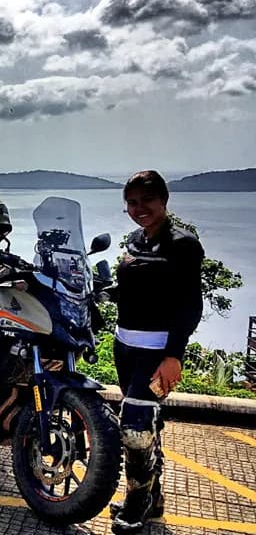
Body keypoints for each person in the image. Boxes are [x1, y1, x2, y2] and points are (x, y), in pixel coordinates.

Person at [110, 170, 204, 534]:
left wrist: (174, 355)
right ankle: (154, 499)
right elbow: (133, 290)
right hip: (124, 347)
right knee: (147, 427)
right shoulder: (135, 240)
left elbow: (190, 305)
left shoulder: (183, 244)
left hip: (155, 353)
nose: (139, 209)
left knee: (134, 429)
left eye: (146, 200)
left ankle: (136, 505)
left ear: (164, 201)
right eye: (131, 203)